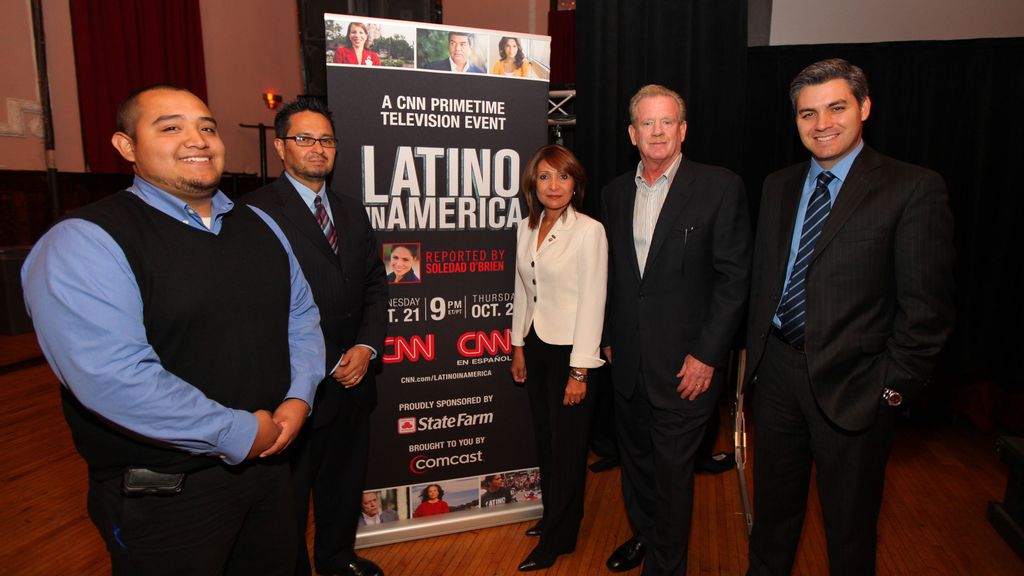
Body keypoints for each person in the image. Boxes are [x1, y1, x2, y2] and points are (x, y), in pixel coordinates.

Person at [20, 84, 326, 575]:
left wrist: (299, 397)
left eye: (207, 127)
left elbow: (302, 316)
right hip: (167, 495)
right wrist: (240, 431)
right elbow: (113, 376)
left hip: (270, 468)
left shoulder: (259, 226)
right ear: (126, 147)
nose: (197, 139)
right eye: (171, 127)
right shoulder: (86, 241)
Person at [744, 58, 955, 576]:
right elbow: (766, 280)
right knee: (771, 521)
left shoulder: (912, 188)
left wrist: (891, 390)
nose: (822, 124)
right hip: (775, 380)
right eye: (807, 113)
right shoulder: (778, 185)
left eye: (836, 108)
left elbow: (926, 312)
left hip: (857, 387)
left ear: (864, 107)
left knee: (849, 531)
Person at [601, 84, 751, 575]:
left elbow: (734, 280)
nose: (658, 131)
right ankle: (645, 536)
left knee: (671, 474)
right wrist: (608, 336)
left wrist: (708, 355)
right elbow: (618, 276)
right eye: (648, 123)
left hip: (688, 366)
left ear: (683, 130)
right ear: (632, 133)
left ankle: (666, 567)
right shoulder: (614, 192)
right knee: (638, 465)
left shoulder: (719, 186)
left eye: (668, 122)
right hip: (628, 363)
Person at [244, 97, 389, 576]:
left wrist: (366, 348)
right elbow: (262, 308)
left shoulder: (351, 210)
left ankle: (337, 558)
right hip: (294, 388)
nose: (317, 148)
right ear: (281, 147)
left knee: (344, 483)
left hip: (354, 380)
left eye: (325, 140)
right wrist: (327, 359)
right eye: (305, 139)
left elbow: (374, 285)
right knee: (288, 498)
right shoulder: (254, 214)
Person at [509, 144, 607, 571]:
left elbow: (593, 302)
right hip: (536, 346)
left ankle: (557, 540)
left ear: (575, 184)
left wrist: (580, 370)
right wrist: (517, 344)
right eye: (545, 176)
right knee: (547, 442)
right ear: (533, 183)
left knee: (568, 450)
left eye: (563, 177)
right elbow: (522, 289)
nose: (554, 185)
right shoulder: (524, 228)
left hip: (572, 352)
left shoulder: (589, 231)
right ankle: (555, 518)